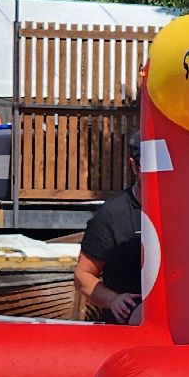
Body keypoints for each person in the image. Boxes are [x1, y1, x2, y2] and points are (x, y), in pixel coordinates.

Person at [74, 130, 143, 323]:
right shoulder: (111, 216)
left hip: (174, 318)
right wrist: (113, 300)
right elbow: (83, 275)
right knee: (142, 315)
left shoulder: (180, 210)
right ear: (134, 166)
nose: (156, 174)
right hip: (126, 321)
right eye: (148, 165)